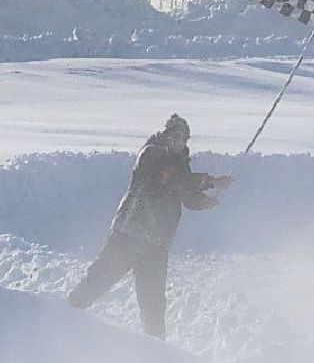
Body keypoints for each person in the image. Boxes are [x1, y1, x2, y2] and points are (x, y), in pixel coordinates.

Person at [68, 115, 231, 340]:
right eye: (174, 136)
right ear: (165, 136)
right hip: (129, 235)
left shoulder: (181, 164)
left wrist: (204, 201)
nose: (178, 141)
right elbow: (171, 182)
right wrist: (209, 181)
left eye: (183, 138)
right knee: (99, 279)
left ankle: (155, 350)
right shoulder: (151, 155)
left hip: (156, 244)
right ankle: (65, 316)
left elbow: (184, 194)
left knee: (153, 302)